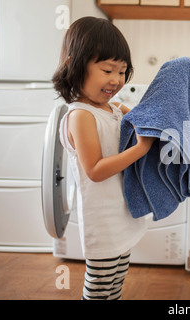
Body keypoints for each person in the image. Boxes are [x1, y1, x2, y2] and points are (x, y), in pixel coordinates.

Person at [52, 17, 155, 300]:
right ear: (75, 65)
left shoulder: (109, 108)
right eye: (107, 69)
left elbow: (133, 115)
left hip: (120, 216)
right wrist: (140, 149)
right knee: (99, 288)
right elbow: (95, 170)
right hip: (104, 223)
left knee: (116, 282)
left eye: (122, 71)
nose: (116, 80)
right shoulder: (81, 115)